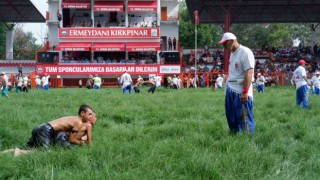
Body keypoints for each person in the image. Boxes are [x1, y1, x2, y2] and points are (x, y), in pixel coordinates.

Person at [0, 105, 95, 156]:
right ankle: (18, 152)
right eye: (90, 114)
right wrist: (81, 144)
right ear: (82, 113)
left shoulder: (74, 119)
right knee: (43, 152)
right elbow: (71, 139)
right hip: (45, 130)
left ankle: (4, 153)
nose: (91, 117)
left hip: (40, 128)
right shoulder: (78, 122)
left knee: (25, 148)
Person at [219, 32, 255, 135]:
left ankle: (246, 139)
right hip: (231, 89)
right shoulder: (232, 53)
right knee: (231, 116)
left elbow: (249, 73)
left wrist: (245, 92)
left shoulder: (245, 52)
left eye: (225, 43)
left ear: (231, 41)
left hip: (240, 91)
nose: (224, 46)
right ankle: (234, 136)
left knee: (244, 118)